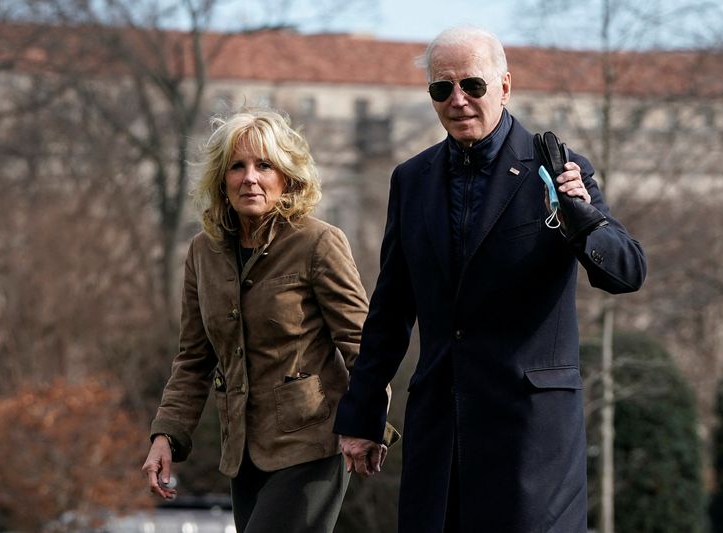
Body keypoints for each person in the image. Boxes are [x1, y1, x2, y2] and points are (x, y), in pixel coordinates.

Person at [333, 26, 647, 533]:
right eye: (442, 88)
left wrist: (581, 217)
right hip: (440, 432)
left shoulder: (561, 169)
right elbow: (391, 308)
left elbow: (626, 272)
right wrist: (362, 412)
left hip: (532, 437)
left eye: (472, 85)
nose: (458, 100)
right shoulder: (410, 180)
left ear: (504, 86)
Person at [142, 109, 396, 533]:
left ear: (288, 177)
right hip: (241, 453)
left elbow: (362, 346)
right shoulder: (202, 253)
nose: (250, 178)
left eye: (264, 165)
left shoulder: (318, 241)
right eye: (237, 166)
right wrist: (165, 435)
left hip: (312, 446)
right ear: (221, 180)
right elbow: (192, 360)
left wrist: (366, 424)